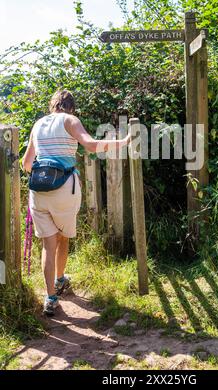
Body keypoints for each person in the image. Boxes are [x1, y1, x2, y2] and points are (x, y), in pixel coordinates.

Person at [22, 89, 130, 316]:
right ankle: (61, 279)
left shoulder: (38, 124)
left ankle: (50, 298)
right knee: (63, 237)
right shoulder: (70, 120)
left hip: (38, 192)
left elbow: (26, 164)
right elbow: (91, 145)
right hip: (64, 189)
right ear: (70, 106)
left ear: (53, 105)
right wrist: (124, 141)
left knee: (47, 245)